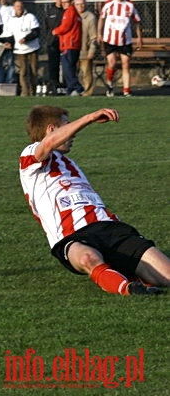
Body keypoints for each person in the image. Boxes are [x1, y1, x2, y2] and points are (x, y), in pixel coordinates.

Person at [19, 105, 169, 296]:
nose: (73, 133)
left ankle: (129, 274)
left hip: (108, 226)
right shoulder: (30, 157)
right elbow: (48, 144)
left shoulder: (69, 164)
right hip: (71, 235)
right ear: (51, 129)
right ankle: (129, 288)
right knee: (87, 258)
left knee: (166, 274)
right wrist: (89, 118)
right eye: (68, 125)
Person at [97, 0, 142, 97]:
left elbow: (137, 22)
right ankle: (110, 85)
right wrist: (99, 33)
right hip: (110, 39)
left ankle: (126, 90)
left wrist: (139, 37)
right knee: (111, 63)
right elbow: (101, 19)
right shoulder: (109, 4)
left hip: (125, 40)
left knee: (125, 63)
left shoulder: (130, 5)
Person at [3, 0, 40, 97]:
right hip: (19, 50)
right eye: (17, 6)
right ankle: (25, 93)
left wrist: (26, 39)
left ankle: (33, 92)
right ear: (14, 8)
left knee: (33, 71)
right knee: (22, 72)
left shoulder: (30, 17)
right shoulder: (11, 20)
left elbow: (36, 32)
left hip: (32, 49)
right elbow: (10, 35)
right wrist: (8, 43)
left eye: (20, 6)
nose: (19, 8)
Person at [52, 0, 83, 96]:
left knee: (67, 68)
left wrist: (55, 31)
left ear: (71, 2)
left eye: (66, 2)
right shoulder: (75, 13)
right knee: (71, 67)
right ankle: (70, 89)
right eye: (63, 2)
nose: (64, 4)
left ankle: (77, 87)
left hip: (69, 44)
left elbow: (65, 27)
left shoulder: (69, 12)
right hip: (74, 43)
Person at [43, 0, 65, 95]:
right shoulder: (50, 11)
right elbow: (46, 27)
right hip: (53, 42)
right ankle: (54, 86)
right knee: (53, 66)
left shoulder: (67, 11)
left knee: (66, 65)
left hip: (64, 42)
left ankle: (65, 86)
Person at [75, 0, 98, 97]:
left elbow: (94, 36)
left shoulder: (90, 17)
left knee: (86, 73)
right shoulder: (71, 15)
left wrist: (92, 50)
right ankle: (75, 91)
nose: (80, 6)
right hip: (73, 50)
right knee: (73, 73)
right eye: (78, 4)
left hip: (85, 50)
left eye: (82, 4)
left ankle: (87, 92)